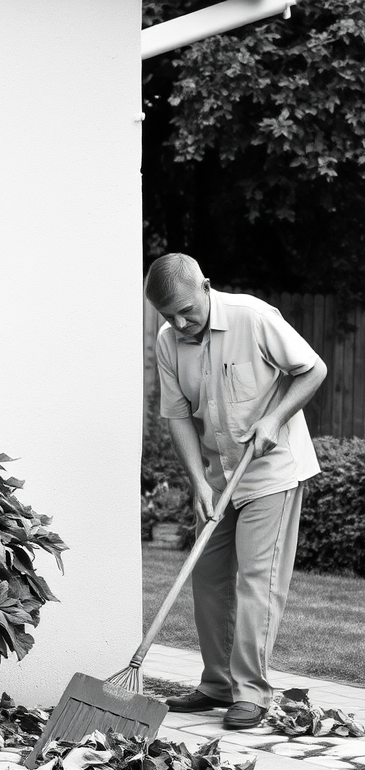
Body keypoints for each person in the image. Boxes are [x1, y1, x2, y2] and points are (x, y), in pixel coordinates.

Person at [145, 253, 327, 730]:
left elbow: (313, 369)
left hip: (271, 472)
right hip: (219, 477)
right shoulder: (169, 343)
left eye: (186, 310)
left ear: (205, 286)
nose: (180, 322)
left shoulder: (253, 318)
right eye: (168, 315)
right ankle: (217, 683)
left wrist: (274, 417)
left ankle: (251, 692)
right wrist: (198, 482)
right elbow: (179, 415)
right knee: (208, 574)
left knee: (256, 579)